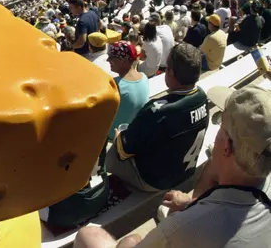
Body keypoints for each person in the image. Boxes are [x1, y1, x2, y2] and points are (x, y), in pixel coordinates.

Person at [76, 85, 271, 248]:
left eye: (220, 123)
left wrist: (130, 241)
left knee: (93, 236)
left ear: (227, 146)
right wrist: (192, 204)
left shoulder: (183, 227)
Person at [106, 44, 209, 192]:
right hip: (184, 171)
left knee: (112, 154)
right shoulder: (202, 97)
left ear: (171, 73)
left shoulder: (157, 111)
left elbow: (124, 151)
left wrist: (117, 138)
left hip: (155, 181)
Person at [106, 41, 149, 140]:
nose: (108, 60)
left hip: (114, 136)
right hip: (132, 132)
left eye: (112, 57)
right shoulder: (144, 77)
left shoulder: (115, 85)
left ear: (124, 61)